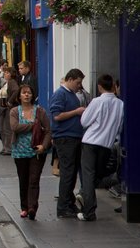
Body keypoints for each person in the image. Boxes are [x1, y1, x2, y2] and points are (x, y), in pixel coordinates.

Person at [78, 74, 124, 222]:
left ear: (99, 86)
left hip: (91, 142)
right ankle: (118, 179)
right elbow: (120, 127)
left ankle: (89, 212)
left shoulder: (97, 101)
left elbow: (84, 121)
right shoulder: (120, 104)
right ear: (113, 86)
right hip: (107, 144)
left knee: (89, 177)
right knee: (97, 176)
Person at [9, 83, 52, 220]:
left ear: (33, 95)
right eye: (24, 93)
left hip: (36, 151)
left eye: (29, 93)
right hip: (19, 152)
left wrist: (43, 146)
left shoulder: (40, 111)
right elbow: (15, 127)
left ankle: (32, 207)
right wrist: (33, 126)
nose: (27, 95)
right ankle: (24, 207)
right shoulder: (15, 111)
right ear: (19, 96)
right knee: (23, 180)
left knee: (34, 179)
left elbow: (48, 130)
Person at [49, 68, 86, 219]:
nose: (79, 86)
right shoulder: (60, 94)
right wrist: (76, 112)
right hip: (65, 138)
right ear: (70, 79)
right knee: (67, 173)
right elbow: (56, 116)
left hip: (74, 137)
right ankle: (63, 207)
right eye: (78, 82)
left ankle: (69, 203)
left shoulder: (71, 94)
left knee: (71, 173)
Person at [0, 66, 20, 155]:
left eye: (7, 73)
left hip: (8, 108)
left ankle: (9, 148)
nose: (5, 74)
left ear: (11, 74)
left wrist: (10, 101)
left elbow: (16, 91)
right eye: (5, 73)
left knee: (7, 128)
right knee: (2, 128)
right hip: (2, 108)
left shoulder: (12, 82)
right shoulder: (5, 83)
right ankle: (5, 147)